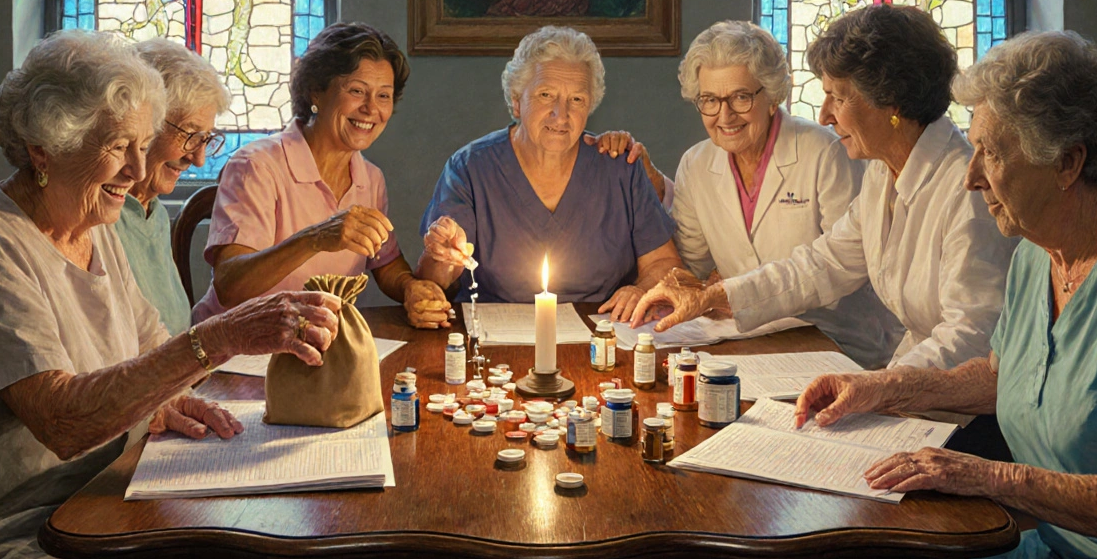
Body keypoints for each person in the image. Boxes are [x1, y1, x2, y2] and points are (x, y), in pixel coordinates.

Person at [0, 30, 342, 559]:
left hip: (90, 503)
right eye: (116, 146)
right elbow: (63, 423)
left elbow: (152, 350)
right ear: (44, 150)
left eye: (142, 144)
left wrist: (172, 399)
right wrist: (220, 337)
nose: (134, 170)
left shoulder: (92, 228)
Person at [793, 31, 1097, 559]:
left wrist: (989, 477)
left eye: (991, 153)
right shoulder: (1034, 253)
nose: (971, 177)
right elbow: (999, 376)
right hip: (1050, 551)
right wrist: (877, 388)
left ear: (1068, 162)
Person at [632, 5, 1016, 371]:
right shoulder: (884, 175)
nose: (824, 114)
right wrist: (711, 297)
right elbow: (821, 264)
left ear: (891, 100)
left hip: (943, 400)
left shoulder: (968, 190)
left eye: (839, 96)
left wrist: (879, 387)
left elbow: (972, 337)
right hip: (901, 375)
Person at [666, 20, 901, 367]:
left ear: (774, 95)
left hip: (834, 342)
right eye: (709, 100)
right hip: (745, 338)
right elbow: (690, 266)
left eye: (741, 97)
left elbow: (846, 267)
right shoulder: (696, 164)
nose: (725, 115)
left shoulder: (827, 151)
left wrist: (728, 293)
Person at [192, 22, 450, 328]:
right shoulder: (256, 166)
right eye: (357, 91)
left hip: (317, 350)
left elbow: (386, 263)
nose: (371, 109)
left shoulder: (371, 179)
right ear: (316, 89)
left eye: (384, 96)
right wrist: (315, 238)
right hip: (239, 354)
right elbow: (230, 285)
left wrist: (410, 288)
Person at [417, 26, 681, 319]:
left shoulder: (620, 166)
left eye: (577, 100)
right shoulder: (470, 167)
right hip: (497, 335)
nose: (561, 114)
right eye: (545, 95)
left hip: (603, 333)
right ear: (517, 101)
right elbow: (436, 279)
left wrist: (642, 289)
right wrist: (442, 254)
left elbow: (665, 264)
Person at [118, 37, 232, 335]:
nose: (198, 158)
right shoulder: (99, 213)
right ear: (144, 122)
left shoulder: (151, 209)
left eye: (206, 138)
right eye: (191, 134)